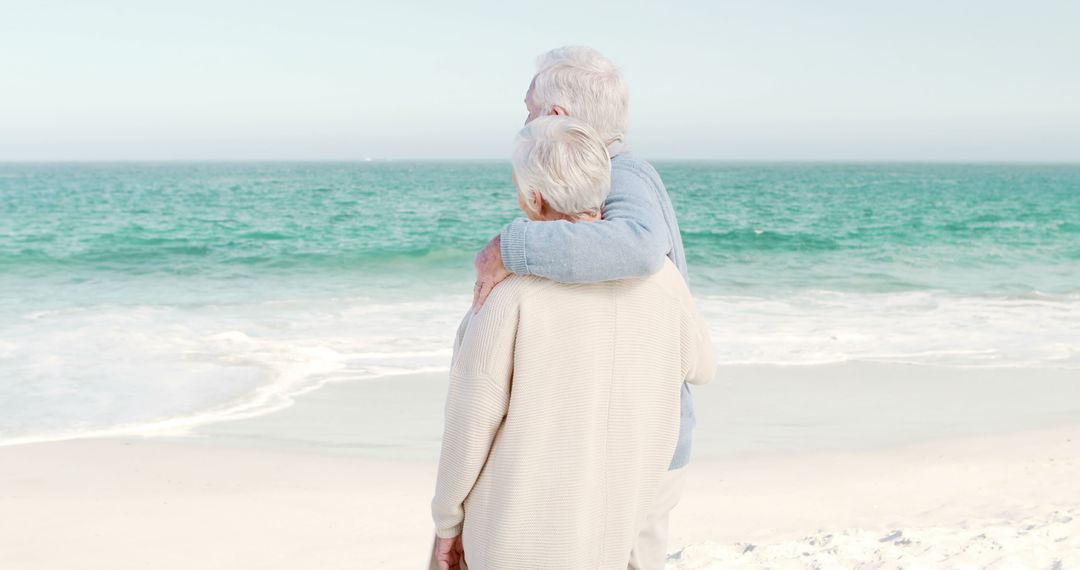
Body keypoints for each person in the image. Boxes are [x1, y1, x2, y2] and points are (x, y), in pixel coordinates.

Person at [431, 115, 715, 570]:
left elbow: (467, 430)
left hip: (514, 538)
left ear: (533, 199)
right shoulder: (663, 280)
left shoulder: (506, 295)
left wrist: (446, 524)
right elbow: (702, 366)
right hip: (611, 527)